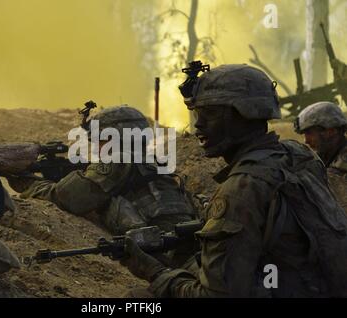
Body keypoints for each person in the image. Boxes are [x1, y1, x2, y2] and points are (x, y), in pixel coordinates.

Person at [119, 63, 347, 297]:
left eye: (210, 114)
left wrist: (155, 272)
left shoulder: (242, 189)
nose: (198, 124)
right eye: (198, 113)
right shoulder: (300, 156)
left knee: (137, 299)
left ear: (243, 114)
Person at [20, 106, 196, 235]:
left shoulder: (117, 162)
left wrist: (26, 182)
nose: (95, 146)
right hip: (181, 238)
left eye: (99, 139)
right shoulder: (153, 162)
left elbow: (67, 199)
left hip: (160, 245)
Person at [295, 101, 347, 210]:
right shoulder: (320, 161)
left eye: (309, 133)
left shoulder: (341, 169)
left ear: (330, 132)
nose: (306, 141)